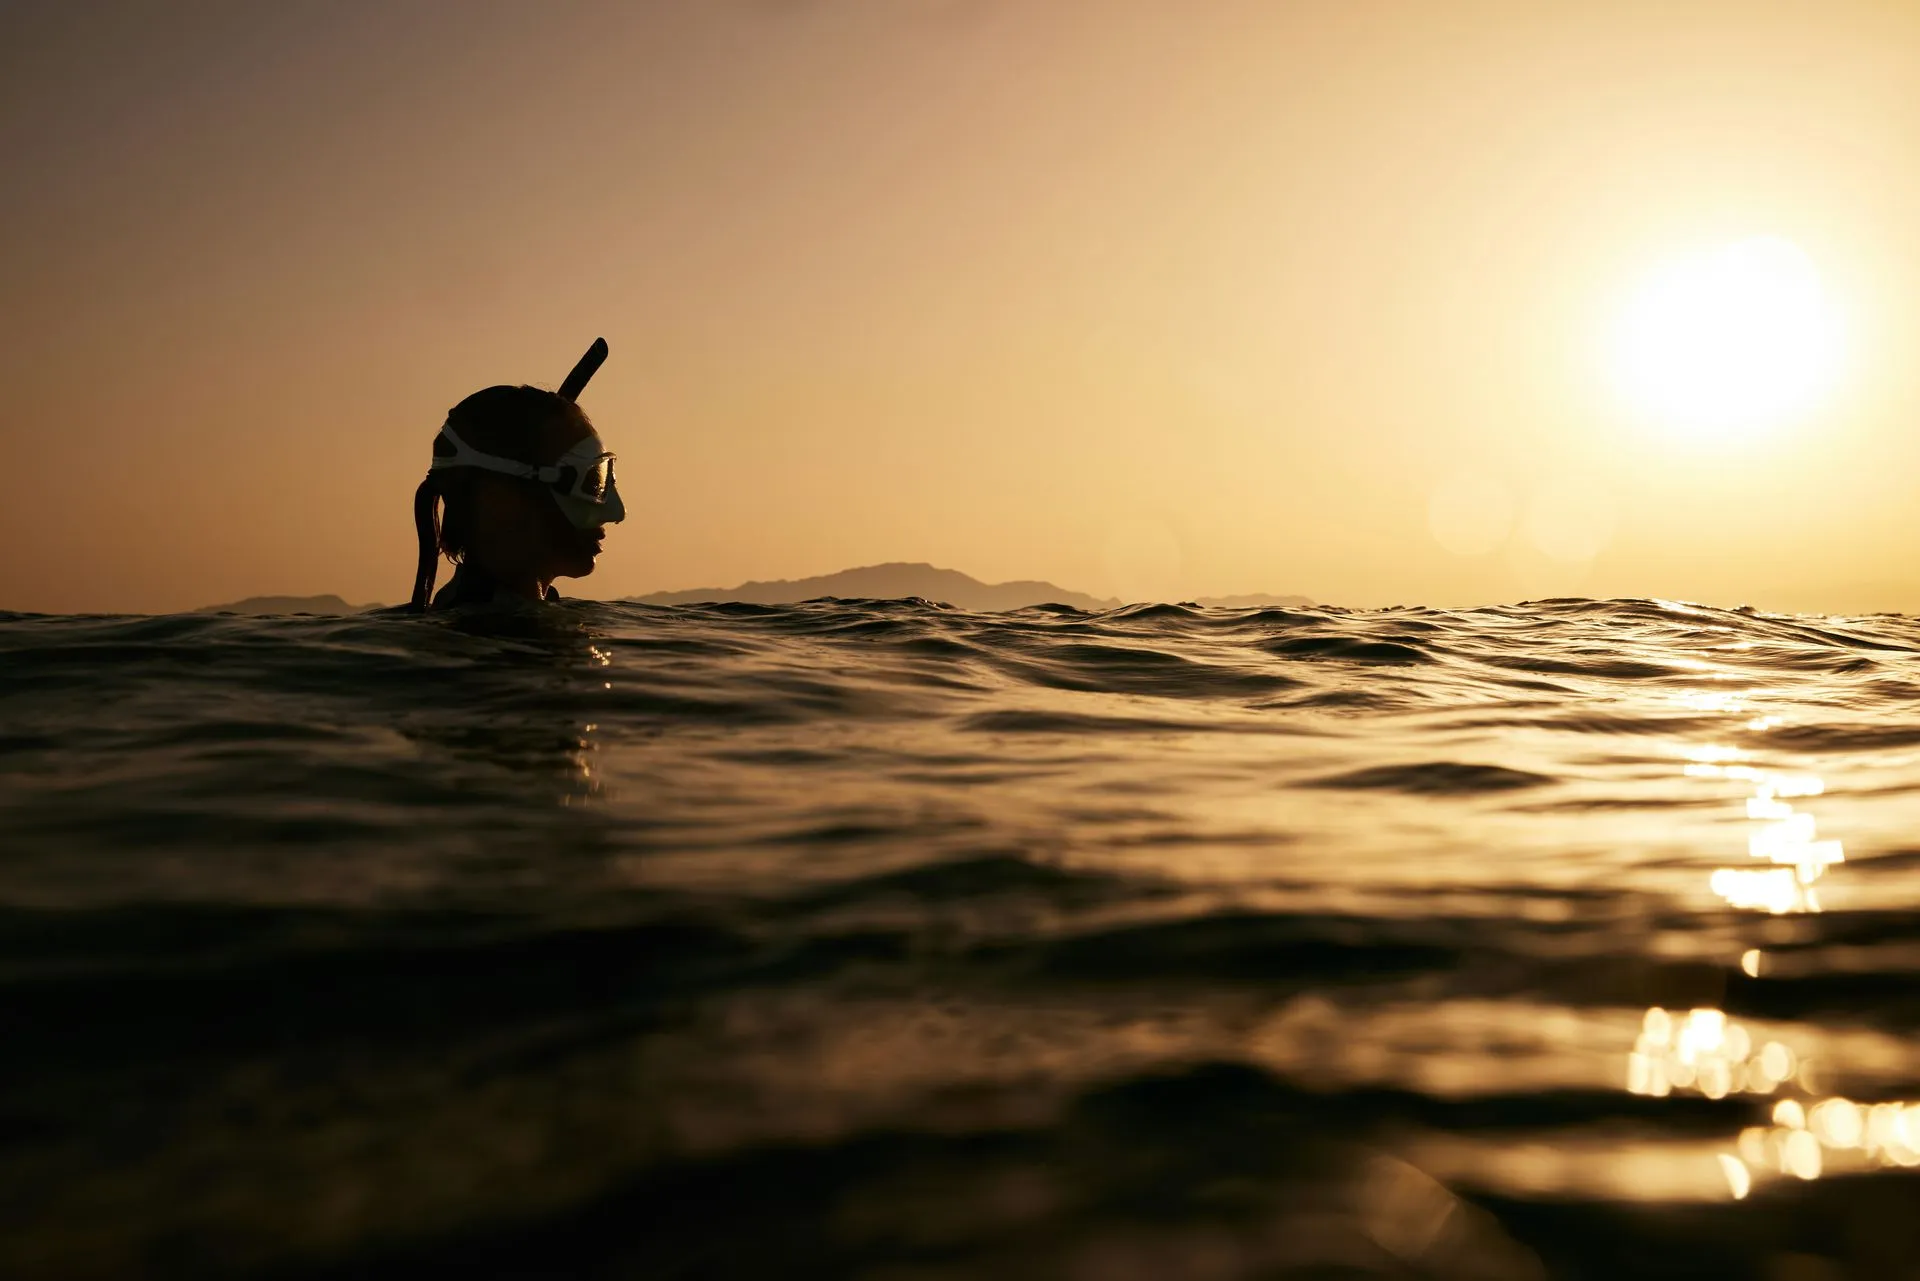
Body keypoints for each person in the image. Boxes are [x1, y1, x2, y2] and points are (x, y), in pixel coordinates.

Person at [408, 346, 625, 609]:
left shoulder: (511, 613)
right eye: (593, 482)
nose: (616, 513)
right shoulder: (490, 631)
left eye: (606, 479)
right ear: (502, 503)